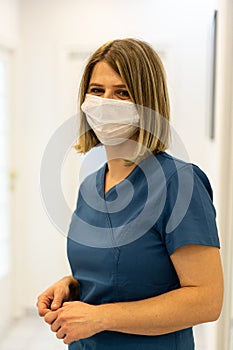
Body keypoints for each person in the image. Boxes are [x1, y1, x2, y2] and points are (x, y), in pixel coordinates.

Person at [37, 38, 224, 350]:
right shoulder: (92, 186)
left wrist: (102, 317)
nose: (106, 101)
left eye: (122, 92)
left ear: (146, 103)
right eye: (97, 91)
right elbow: (116, 272)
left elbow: (207, 300)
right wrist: (73, 285)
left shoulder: (178, 182)